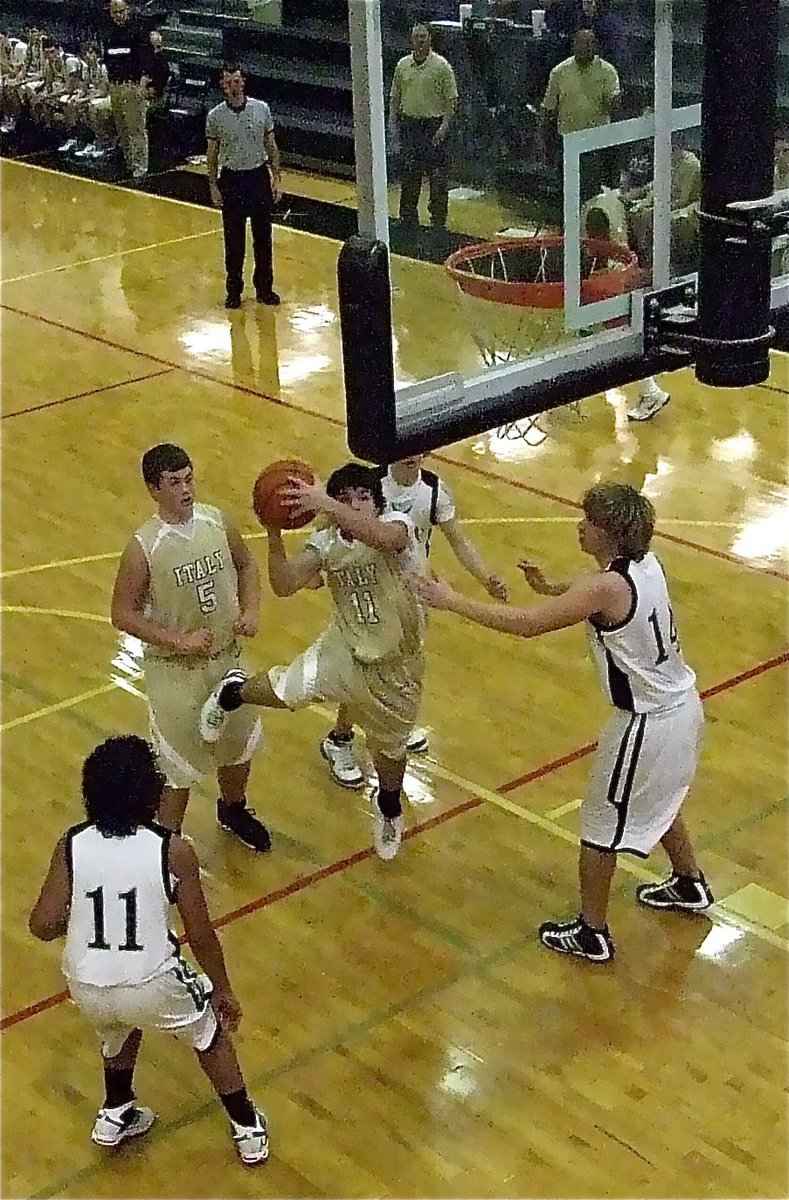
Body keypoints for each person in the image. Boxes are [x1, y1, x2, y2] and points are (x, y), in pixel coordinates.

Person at [414, 481, 713, 963]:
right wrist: (554, 588)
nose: (579, 526)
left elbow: (528, 625)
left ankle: (591, 932)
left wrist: (449, 600)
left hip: (646, 723)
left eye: (588, 521)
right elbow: (594, 591)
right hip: (683, 707)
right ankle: (688, 882)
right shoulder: (644, 565)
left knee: (599, 827)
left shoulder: (605, 586)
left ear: (610, 534)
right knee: (658, 796)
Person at [29, 735, 269, 1165]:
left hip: (85, 982)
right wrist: (223, 988)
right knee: (209, 1035)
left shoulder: (72, 842)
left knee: (120, 1023)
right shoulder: (172, 850)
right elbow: (200, 933)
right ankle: (248, 1127)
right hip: (151, 980)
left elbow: (41, 924)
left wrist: (81, 917)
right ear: (151, 791)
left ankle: (115, 1113)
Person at [199, 463, 425, 862]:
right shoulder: (326, 543)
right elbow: (284, 584)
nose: (355, 505)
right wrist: (272, 530)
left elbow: (382, 538)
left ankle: (389, 809)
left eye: (362, 498)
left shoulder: (398, 525)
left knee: (390, 753)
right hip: (343, 649)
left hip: (397, 664)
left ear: (377, 503)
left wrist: (326, 502)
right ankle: (232, 692)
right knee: (288, 690)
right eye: (346, 498)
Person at [110, 443, 270, 850]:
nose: (186, 489)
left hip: (227, 659)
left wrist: (251, 609)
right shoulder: (143, 547)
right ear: (153, 490)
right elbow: (121, 614)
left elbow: (247, 564)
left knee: (238, 745)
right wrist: (178, 641)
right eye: (174, 482)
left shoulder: (216, 521)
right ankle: (166, 844)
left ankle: (233, 809)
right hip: (175, 671)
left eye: (189, 478)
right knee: (177, 766)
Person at [320, 455, 508, 788]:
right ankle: (340, 739)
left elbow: (458, 540)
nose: (411, 452)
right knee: (361, 672)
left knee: (403, 666)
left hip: (414, 593)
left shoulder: (434, 489)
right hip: (369, 593)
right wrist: (321, 566)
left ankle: (393, 726)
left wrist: (486, 577)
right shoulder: (369, 485)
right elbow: (329, 524)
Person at [583, 204, 671, 422]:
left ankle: (651, 394)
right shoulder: (619, 260)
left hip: (634, 314)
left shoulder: (606, 276)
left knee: (628, 351)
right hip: (639, 307)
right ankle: (650, 391)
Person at [206, 64, 281, 310]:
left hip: (257, 176)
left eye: (236, 82)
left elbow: (271, 145)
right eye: (227, 83)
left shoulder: (262, 109)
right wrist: (213, 186)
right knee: (234, 241)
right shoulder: (215, 116)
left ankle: (265, 288)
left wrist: (276, 177)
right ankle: (234, 290)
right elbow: (212, 154)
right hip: (232, 179)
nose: (232, 87)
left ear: (243, 82)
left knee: (263, 238)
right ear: (222, 86)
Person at [389, 23, 458, 231]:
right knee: (410, 174)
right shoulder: (402, 65)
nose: (419, 40)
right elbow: (395, 97)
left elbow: (452, 99)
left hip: (432, 126)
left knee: (437, 177)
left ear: (430, 39)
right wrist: (393, 123)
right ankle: (407, 217)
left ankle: (438, 220)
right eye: (416, 36)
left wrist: (444, 126)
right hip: (410, 126)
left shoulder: (442, 66)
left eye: (423, 36)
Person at [541, 28, 620, 202]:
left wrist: (616, 101)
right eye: (580, 44)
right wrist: (546, 144)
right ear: (573, 46)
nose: (583, 48)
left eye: (588, 44)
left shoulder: (607, 71)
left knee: (590, 193)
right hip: (567, 141)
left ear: (595, 47)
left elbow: (614, 105)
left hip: (594, 142)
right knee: (566, 192)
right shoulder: (559, 72)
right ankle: (566, 226)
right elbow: (548, 109)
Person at [102, 0, 153, 181]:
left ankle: (141, 167)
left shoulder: (138, 32)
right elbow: (108, 61)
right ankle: (129, 164)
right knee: (122, 128)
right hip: (115, 85)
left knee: (135, 128)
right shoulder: (109, 34)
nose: (118, 15)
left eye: (121, 11)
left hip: (131, 85)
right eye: (115, 12)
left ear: (127, 10)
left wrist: (141, 86)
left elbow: (147, 62)